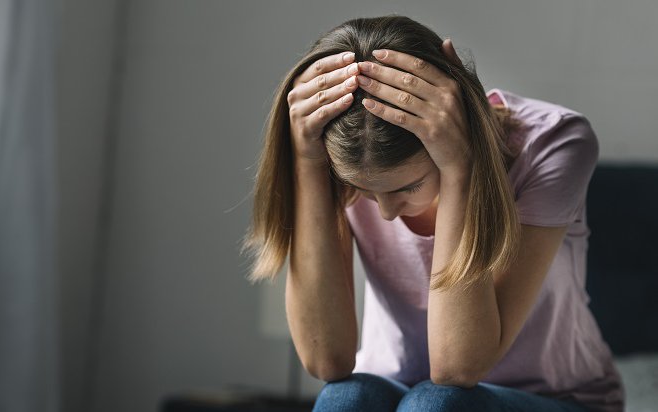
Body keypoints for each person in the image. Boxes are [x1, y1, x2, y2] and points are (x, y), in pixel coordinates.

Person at [240, 15, 625, 412]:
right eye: (365, 192)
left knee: (437, 404)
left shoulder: (555, 144)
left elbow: (457, 369)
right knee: (343, 398)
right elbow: (326, 361)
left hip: (555, 398)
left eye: (407, 187)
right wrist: (308, 161)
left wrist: (460, 166)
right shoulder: (337, 159)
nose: (387, 213)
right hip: (401, 390)